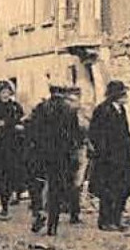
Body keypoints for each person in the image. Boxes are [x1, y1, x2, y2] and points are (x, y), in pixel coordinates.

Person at [24, 84, 85, 236]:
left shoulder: (40, 108)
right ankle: (52, 225)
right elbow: (75, 134)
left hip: (42, 153)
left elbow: (30, 129)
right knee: (56, 189)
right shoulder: (69, 110)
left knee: (40, 185)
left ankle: (40, 212)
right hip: (62, 155)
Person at [87, 80, 130, 231]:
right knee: (108, 190)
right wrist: (103, 154)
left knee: (122, 189)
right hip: (108, 159)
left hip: (122, 157)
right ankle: (105, 221)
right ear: (116, 95)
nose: (126, 96)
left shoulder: (121, 110)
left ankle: (117, 220)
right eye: (123, 93)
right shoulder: (102, 110)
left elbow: (125, 131)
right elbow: (95, 134)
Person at [0, 80, 25, 218]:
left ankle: (9, 197)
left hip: (13, 144)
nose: (5, 95)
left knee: (12, 173)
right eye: (3, 92)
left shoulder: (15, 106)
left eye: (8, 92)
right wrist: (10, 124)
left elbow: (21, 120)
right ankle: (0, 201)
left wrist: (9, 124)